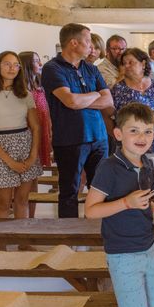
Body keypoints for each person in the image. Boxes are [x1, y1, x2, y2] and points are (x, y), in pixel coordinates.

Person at [84, 103, 154, 307]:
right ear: (118, 134)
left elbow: (148, 200)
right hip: (122, 254)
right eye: (134, 131)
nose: (142, 138)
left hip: (148, 247)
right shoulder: (109, 167)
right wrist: (126, 203)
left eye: (147, 132)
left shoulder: (149, 164)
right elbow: (91, 211)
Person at [41, 23, 112, 218]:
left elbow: (108, 100)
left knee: (101, 189)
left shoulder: (90, 68)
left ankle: (99, 231)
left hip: (98, 137)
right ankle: (69, 237)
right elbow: (70, 101)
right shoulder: (52, 68)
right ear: (74, 43)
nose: (91, 46)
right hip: (70, 139)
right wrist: (95, 94)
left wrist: (84, 99)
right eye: (88, 41)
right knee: (69, 191)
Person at [0, 50, 42, 220]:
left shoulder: (25, 94)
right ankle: (3, 245)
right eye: (7, 64)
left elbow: (36, 127)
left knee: (22, 200)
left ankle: (24, 244)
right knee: (3, 203)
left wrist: (32, 156)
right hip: (0, 149)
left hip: (24, 145)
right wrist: (10, 162)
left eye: (16, 65)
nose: (12, 68)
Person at [111, 48, 154, 174]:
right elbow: (109, 115)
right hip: (130, 143)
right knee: (131, 178)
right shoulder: (118, 88)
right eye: (124, 63)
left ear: (143, 64)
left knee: (153, 177)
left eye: (131, 62)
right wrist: (116, 135)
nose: (126, 66)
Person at [19, 52, 52, 218]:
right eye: (35, 61)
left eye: (39, 60)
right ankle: (22, 217)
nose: (39, 63)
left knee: (34, 179)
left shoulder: (38, 83)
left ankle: (31, 217)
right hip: (27, 136)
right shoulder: (21, 88)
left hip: (41, 134)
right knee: (25, 180)